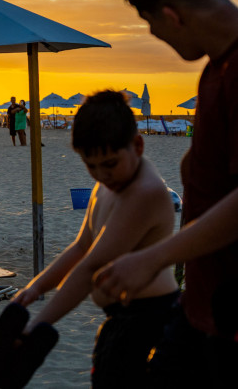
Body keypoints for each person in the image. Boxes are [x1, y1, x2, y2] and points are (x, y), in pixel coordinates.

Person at [94, 0, 238, 385]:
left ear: (171, 14)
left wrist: (152, 257)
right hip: (202, 303)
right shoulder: (215, 70)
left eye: (150, 23)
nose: (154, 35)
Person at [12, 91, 179, 387]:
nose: (102, 174)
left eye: (110, 163)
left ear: (137, 145)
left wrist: (37, 325)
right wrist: (36, 287)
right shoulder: (108, 183)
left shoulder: (145, 192)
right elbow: (81, 247)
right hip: (119, 319)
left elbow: (91, 268)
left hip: (150, 320)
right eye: (91, 166)